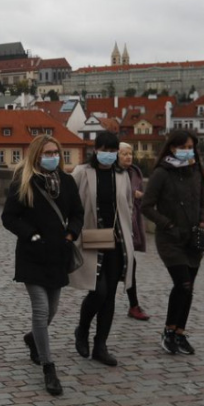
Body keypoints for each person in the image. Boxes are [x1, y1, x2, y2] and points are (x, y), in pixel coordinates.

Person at [2, 134, 84, 396]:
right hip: (33, 254)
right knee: (40, 309)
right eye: (48, 153)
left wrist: (71, 233)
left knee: (52, 309)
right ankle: (49, 366)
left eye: (56, 152)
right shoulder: (24, 182)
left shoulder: (67, 182)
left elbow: (77, 213)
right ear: (37, 156)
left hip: (58, 254)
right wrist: (31, 234)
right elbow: (9, 217)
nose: (53, 157)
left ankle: (32, 338)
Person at [141, 130, 204, 356]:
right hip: (171, 239)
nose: (188, 151)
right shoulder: (162, 173)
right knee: (182, 284)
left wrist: (203, 221)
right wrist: (168, 224)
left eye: (191, 147)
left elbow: (203, 201)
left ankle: (180, 332)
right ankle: (168, 332)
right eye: (184, 147)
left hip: (193, 239)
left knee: (189, 288)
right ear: (172, 148)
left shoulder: (195, 170)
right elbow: (147, 206)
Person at [70, 131, 135, 367]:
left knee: (110, 297)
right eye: (104, 150)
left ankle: (101, 345)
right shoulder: (82, 172)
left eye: (112, 150)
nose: (108, 154)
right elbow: (71, 203)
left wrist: (128, 233)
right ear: (95, 150)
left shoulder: (122, 175)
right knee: (98, 291)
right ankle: (82, 329)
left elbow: (128, 204)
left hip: (116, 241)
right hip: (91, 238)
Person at [119, 142, 150, 321]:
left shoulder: (135, 172)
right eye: (124, 154)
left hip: (131, 224)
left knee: (130, 264)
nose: (129, 157)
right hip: (115, 226)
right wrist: (133, 193)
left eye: (130, 154)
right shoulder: (112, 172)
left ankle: (133, 305)